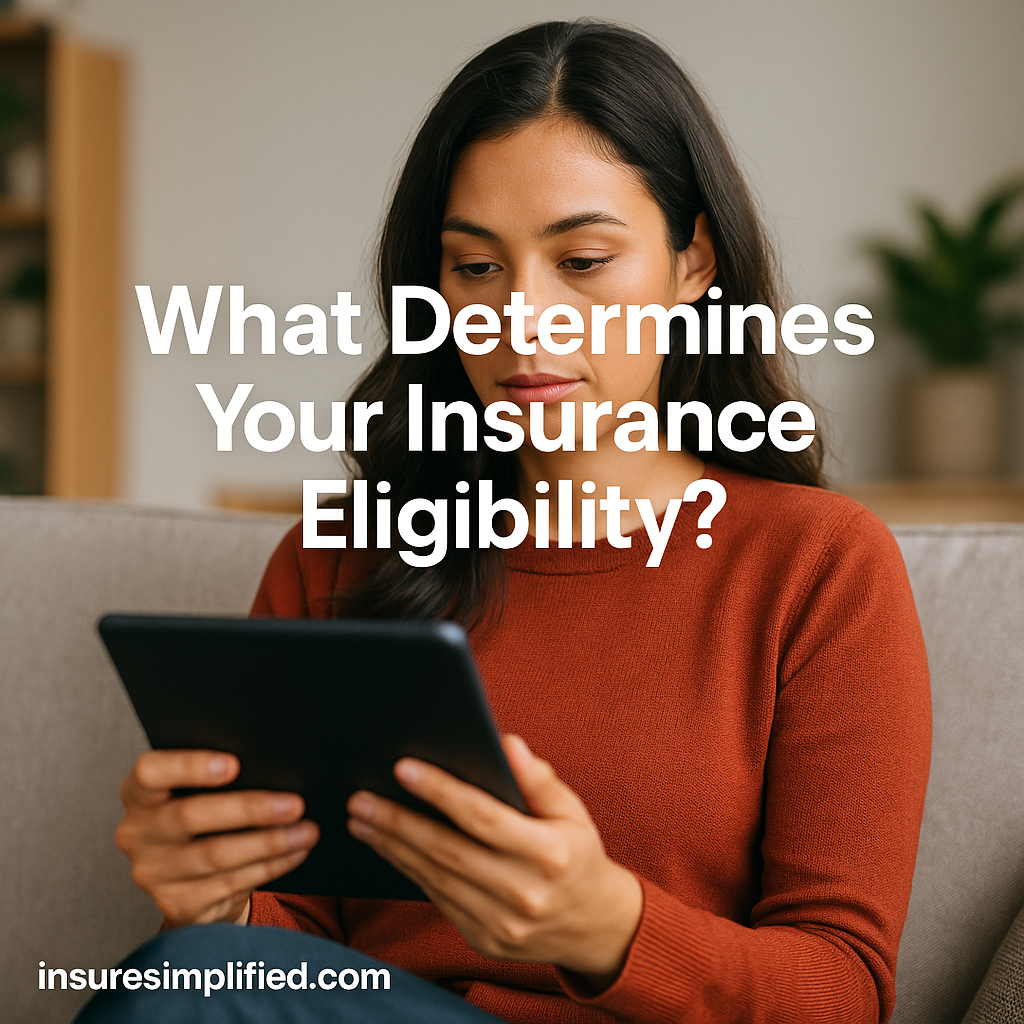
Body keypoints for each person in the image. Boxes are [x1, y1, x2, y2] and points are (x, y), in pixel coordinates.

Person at [81, 19, 931, 1024]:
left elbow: (841, 994)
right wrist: (221, 905)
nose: (521, 319)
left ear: (692, 261)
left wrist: (609, 925)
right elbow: (298, 963)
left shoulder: (816, 566)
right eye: (476, 268)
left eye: (581, 259)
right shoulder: (335, 557)